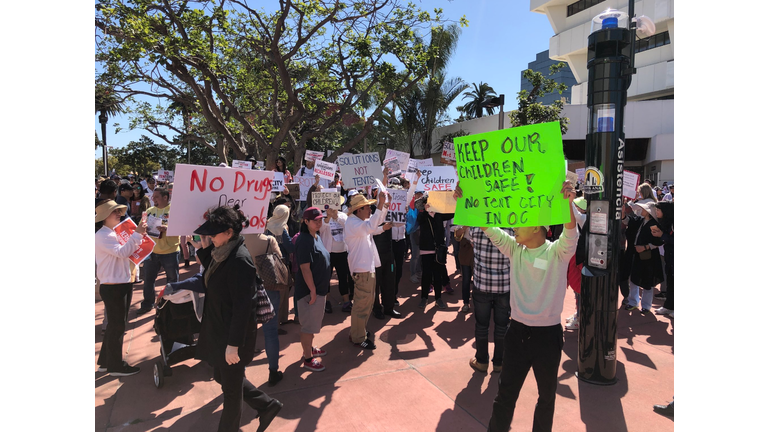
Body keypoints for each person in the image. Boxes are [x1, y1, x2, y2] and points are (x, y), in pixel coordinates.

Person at [482, 180, 579, 432]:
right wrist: (466, 200)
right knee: (505, 395)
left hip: (547, 337)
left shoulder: (557, 252)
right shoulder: (516, 250)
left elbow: (571, 235)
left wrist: (567, 203)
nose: (513, 225)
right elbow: (489, 228)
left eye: (519, 220)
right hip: (516, 334)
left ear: (537, 226)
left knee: (546, 398)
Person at [193, 206, 283, 432]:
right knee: (221, 377)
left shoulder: (240, 260)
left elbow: (244, 308)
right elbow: (213, 273)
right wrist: (203, 247)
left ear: (230, 232)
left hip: (230, 336)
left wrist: (233, 345)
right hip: (218, 329)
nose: (210, 237)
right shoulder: (222, 252)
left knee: (231, 392)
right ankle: (266, 405)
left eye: (213, 234)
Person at [95, 200, 147, 376]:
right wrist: (138, 235)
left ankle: (106, 361)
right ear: (104, 217)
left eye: (118, 211)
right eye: (114, 212)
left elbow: (124, 252)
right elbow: (123, 252)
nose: (119, 214)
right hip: (114, 286)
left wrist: (137, 236)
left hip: (117, 283)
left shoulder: (108, 233)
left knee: (114, 326)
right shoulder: (104, 235)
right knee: (117, 326)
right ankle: (115, 366)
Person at [344, 192, 389, 350]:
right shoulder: (353, 223)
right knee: (362, 305)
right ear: (359, 210)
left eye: (370, 207)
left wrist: (382, 207)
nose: (370, 210)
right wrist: (380, 206)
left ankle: (358, 331)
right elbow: (372, 226)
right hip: (362, 270)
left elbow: (374, 225)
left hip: (365, 269)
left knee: (366, 303)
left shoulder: (357, 221)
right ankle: (358, 337)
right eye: (367, 208)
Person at [243, 232, 286, 386]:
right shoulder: (268, 240)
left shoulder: (237, 240)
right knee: (271, 332)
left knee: (245, 334)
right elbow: (280, 259)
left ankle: (242, 378)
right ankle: (273, 371)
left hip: (245, 288)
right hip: (268, 287)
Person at [294, 207, 333, 371]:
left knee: (313, 324)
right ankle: (308, 358)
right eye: (315, 220)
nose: (318, 222)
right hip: (309, 292)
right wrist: (312, 290)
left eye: (320, 219)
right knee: (308, 327)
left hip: (318, 289)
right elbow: (305, 268)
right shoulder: (304, 240)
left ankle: (309, 348)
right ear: (306, 221)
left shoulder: (315, 236)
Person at [137, 188, 180, 315]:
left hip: (170, 251)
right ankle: (147, 304)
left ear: (165, 197)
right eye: (153, 196)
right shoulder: (149, 212)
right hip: (152, 251)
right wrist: (143, 229)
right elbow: (140, 228)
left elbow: (182, 228)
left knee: (172, 280)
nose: (153, 199)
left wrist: (168, 228)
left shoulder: (175, 211)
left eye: (156, 197)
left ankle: (171, 304)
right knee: (149, 280)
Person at [625, 201, 664, 313]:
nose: (641, 210)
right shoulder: (640, 220)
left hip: (649, 257)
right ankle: (633, 302)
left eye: (643, 209)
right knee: (633, 279)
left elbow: (659, 241)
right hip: (637, 255)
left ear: (648, 212)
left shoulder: (654, 224)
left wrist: (646, 247)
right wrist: (623, 215)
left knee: (647, 282)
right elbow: (629, 222)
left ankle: (646, 306)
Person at [415, 194, 453, 310]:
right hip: (426, 248)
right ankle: (424, 298)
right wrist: (425, 211)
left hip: (438, 250)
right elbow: (419, 221)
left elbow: (453, 212)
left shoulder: (440, 215)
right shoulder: (422, 215)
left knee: (437, 274)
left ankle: (438, 298)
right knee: (426, 274)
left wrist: (456, 199)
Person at [318, 207, 355, 313]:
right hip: (328, 252)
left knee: (343, 277)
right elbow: (321, 230)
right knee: (326, 277)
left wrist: (336, 217)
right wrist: (328, 217)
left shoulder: (343, 215)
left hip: (342, 251)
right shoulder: (323, 216)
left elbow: (347, 227)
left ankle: (346, 302)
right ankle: (326, 301)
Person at [266, 205, 295, 324]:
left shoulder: (267, 225)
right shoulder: (281, 229)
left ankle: (281, 319)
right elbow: (289, 247)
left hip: (268, 262)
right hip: (281, 263)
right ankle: (278, 321)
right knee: (282, 293)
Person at [652, 201, 674, 318]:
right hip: (669, 256)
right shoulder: (665, 222)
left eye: (658, 210)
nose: (656, 212)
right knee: (670, 280)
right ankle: (668, 306)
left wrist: (662, 235)